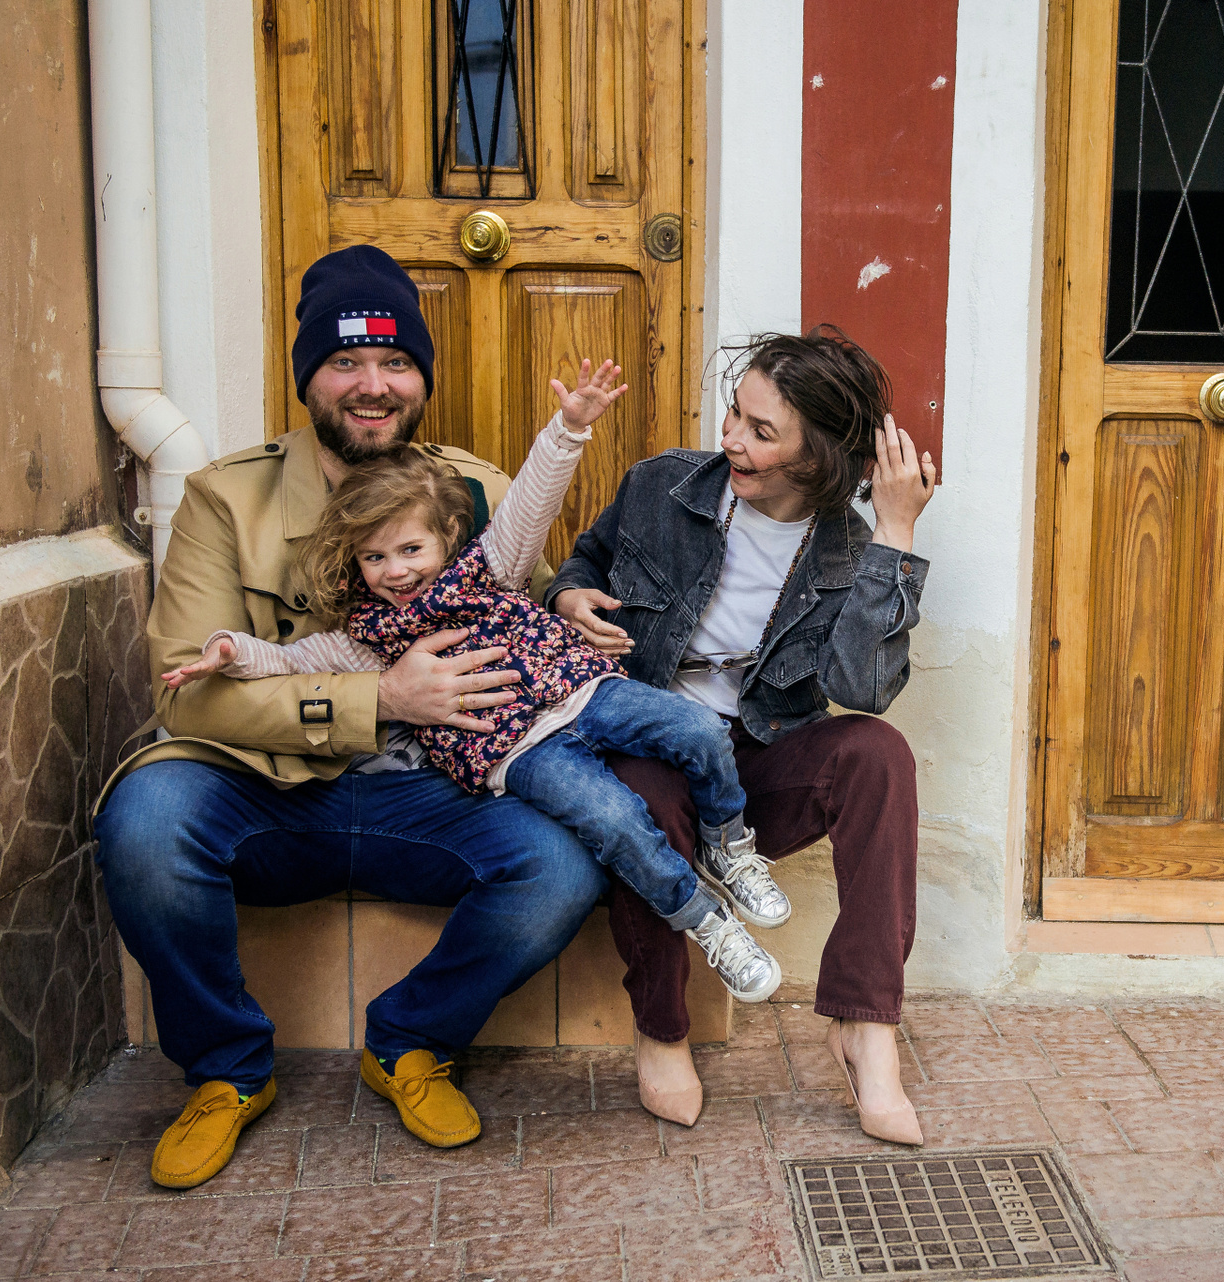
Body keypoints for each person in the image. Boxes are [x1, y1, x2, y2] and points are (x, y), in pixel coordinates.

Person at [93, 245, 608, 1190]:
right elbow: (189, 690)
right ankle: (226, 1072)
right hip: (268, 792)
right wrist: (382, 699)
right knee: (146, 823)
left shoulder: (476, 488)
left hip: (436, 792)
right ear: (309, 379)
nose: (373, 385)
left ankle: (412, 1042)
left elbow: (527, 601)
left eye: (395, 361)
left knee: (563, 863)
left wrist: (567, 599)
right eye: (345, 362)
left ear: (420, 378)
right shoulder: (224, 498)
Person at [160, 361, 789, 1004]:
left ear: (447, 538)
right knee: (615, 819)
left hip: (580, 692)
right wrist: (228, 650)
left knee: (697, 729)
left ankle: (728, 846)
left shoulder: (490, 567)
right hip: (517, 753)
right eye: (374, 558)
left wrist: (569, 428)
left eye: (410, 550)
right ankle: (705, 921)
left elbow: (532, 501)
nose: (395, 572)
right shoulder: (367, 637)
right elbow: (291, 660)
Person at [549, 328, 936, 1143]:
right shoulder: (661, 486)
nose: (731, 439)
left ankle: (865, 1026)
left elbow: (863, 691)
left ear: (817, 458)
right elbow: (583, 562)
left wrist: (896, 535)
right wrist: (570, 599)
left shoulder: (849, 552)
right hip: (649, 746)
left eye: (762, 432)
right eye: (735, 413)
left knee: (878, 757)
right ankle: (662, 1028)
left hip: (755, 762)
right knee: (647, 796)